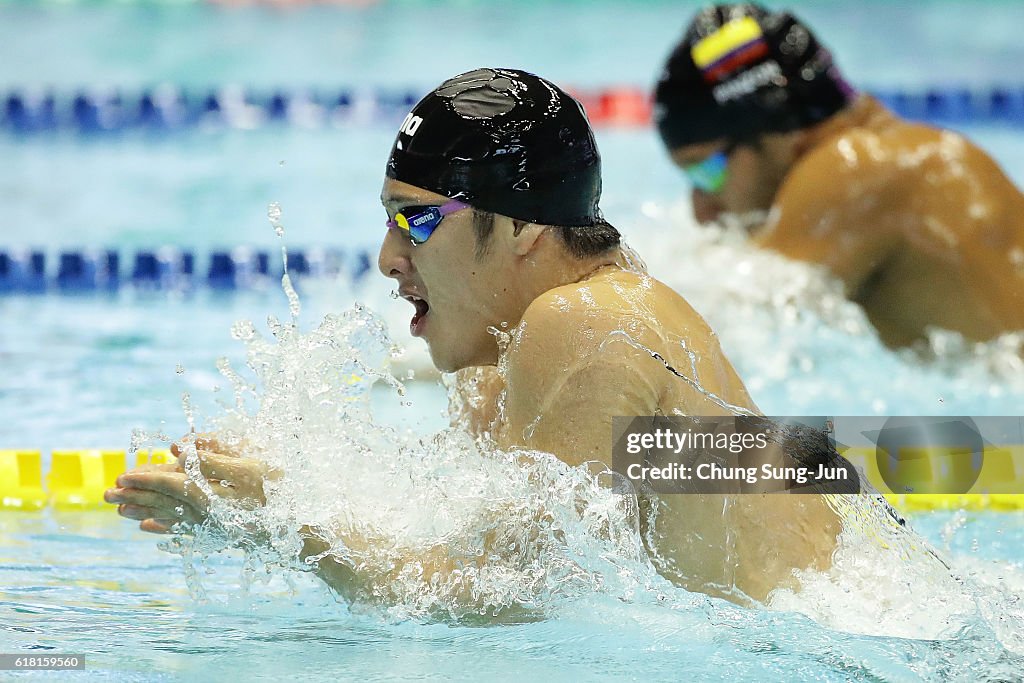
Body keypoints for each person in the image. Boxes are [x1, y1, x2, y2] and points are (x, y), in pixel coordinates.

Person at [106, 68, 841, 608]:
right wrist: (285, 486)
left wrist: (284, 517)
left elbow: (496, 598)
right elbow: (469, 544)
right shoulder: (513, 352)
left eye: (418, 220)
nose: (388, 258)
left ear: (522, 226)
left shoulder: (583, 322)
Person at [654, 3, 1024, 348]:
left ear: (773, 130)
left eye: (707, 172)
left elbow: (718, 333)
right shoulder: (898, 153)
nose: (703, 209)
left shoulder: (851, 171)